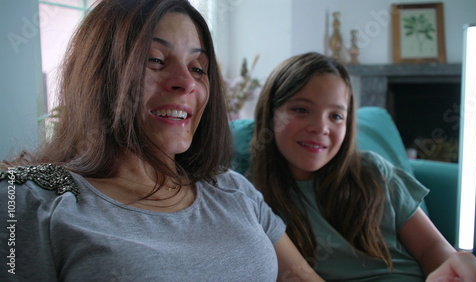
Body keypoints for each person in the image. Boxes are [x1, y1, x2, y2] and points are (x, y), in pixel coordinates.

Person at [0, 1, 324, 281]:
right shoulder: (25, 202)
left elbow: (298, 276)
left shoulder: (233, 189)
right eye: (155, 60)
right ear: (101, 73)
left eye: (198, 68)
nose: (186, 83)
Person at [250, 52, 476, 281]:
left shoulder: (373, 170)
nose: (320, 127)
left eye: (336, 116)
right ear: (270, 113)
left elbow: (431, 247)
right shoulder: (253, 199)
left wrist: (454, 273)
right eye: (301, 109)